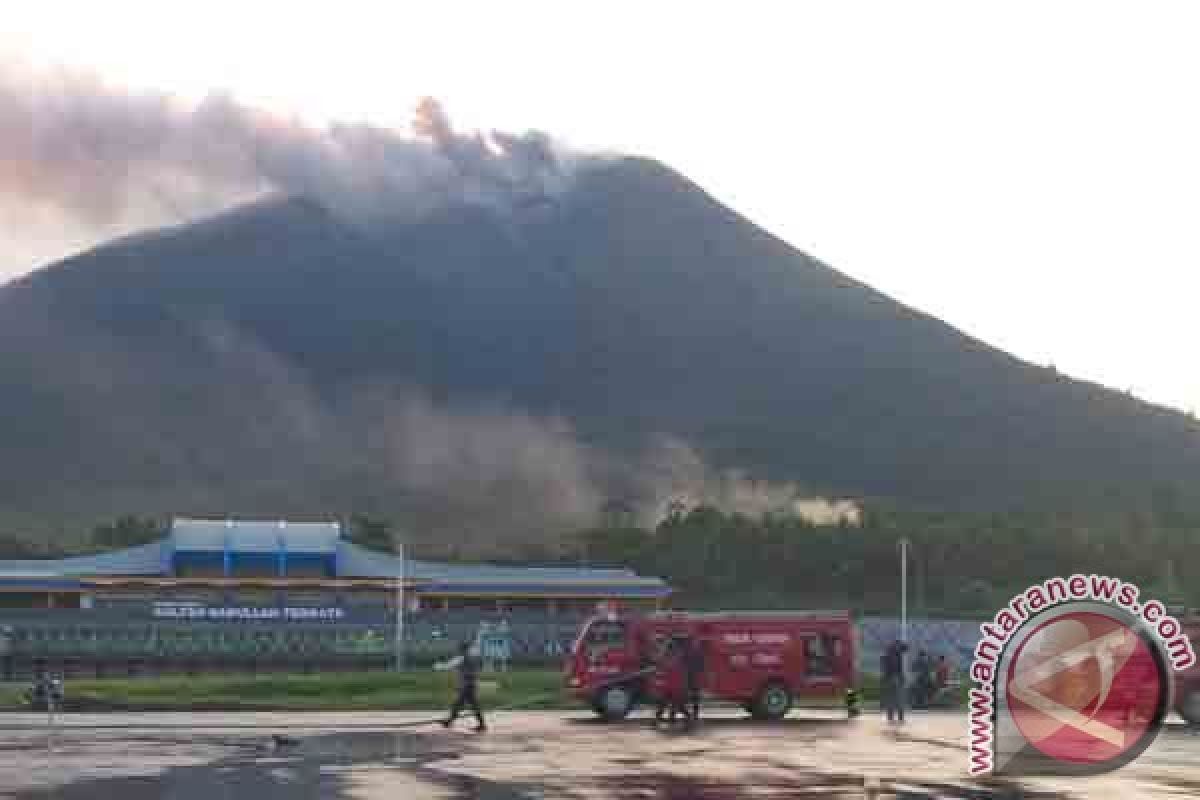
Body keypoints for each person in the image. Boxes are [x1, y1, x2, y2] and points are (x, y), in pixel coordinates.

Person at [437, 641, 487, 732]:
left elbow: (448, 665)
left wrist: (438, 666)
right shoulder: (472, 658)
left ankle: (449, 721)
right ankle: (481, 724)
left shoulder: (462, 658)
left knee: (459, 704)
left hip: (466, 685)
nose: (458, 650)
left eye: (460, 649)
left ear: (462, 649)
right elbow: (478, 666)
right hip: (471, 684)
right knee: (470, 705)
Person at [880, 640, 908, 723]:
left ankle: (891, 717)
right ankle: (899, 717)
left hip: (890, 678)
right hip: (895, 678)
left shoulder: (887, 655)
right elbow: (905, 648)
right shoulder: (896, 654)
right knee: (899, 698)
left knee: (891, 699)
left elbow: (905, 647)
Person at [682, 635, 705, 726]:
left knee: (682, 697)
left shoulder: (686, 652)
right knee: (695, 697)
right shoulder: (697, 652)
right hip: (694, 677)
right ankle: (694, 715)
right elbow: (702, 665)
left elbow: (683, 663)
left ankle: (690, 715)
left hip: (688, 676)